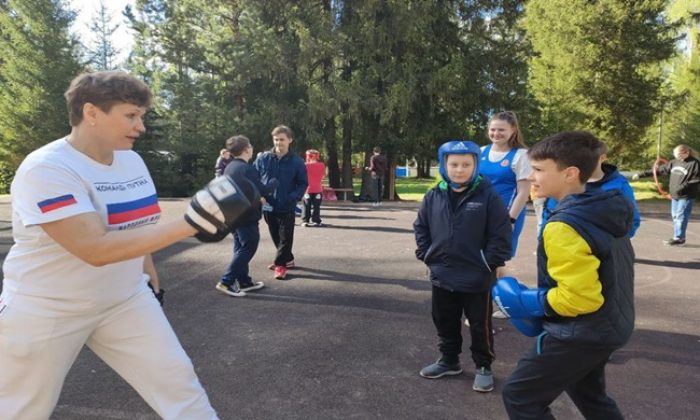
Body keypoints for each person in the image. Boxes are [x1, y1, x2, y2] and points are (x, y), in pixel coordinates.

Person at [0, 70, 259, 419]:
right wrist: (191, 223)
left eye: (142, 116)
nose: (141, 127)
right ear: (91, 113)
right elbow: (95, 248)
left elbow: (137, 225)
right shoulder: (47, 168)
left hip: (124, 299)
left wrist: (147, 269)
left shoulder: (130, 160)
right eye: (131, 116)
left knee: (179, 384)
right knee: (21, 410)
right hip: (48, 308)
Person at [496, 131, 635, 419]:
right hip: (607, 325)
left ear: (570, 174)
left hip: (579, 332)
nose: (531, 177)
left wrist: (529, 302)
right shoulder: (603, 207)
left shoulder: (564, 225)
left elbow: (580, 298)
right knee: (590, 396)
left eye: (538, 170)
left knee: (521, 396)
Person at [414, 140, 512, 393]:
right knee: (444, 319)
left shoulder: (488, 196)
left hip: (476, 274)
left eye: (466, 164)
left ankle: (483, 366)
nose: (460, 170)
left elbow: (500, 232)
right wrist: (426, 254)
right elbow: (421, 226)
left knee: (480, 324)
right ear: (444, 164)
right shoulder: (434, 195)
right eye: (454, 164)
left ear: (476, 165)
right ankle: (449, 360)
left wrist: (490, 262)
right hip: (442, 271)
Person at [542, 141, 641, 238]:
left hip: (605, 249)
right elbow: (549, 215)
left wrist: (612, 242)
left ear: (602, 158)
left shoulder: (619, 185)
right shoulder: (565, 182)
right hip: (567, 246)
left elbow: (632, 219)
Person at [216, 135, 273, 297]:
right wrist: (275, 181)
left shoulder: (230, 166)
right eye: (250, 146)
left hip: (233, 214)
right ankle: (226, 281)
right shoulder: (247, 169)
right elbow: (263, 189)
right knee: (249, 247)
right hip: (246, 216)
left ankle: (244, 281)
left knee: (240, 247)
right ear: (247, 149)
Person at [253, 125, 308, 280]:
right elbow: (253, 177)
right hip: (268, 205)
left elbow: (303, 183)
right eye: (276, 140)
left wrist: (293, 196)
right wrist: (258, 194)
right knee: (275, 235)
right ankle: (287, 259)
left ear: (290, 140)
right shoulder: (263, 158)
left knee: (285, 237)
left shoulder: (296, 162)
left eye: (282, 140)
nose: (278, 143)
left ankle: (280, 265)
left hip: (287, 205)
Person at [479, 111, 532, 257]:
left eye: (501, 130)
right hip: (481, 214)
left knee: (496, 261)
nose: (496, 133)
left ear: (513, 129)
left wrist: (510, 220)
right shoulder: (481, 151)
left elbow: (523, 193)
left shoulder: (521, 155)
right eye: (493, 129)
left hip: (505, 216)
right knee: (477, 259)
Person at [632, 144, 699, 246]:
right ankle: (678, 236)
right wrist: (641, 174)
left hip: (686, 195)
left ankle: (679, 238)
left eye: (679, 155)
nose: (677, 157)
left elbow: (695, 180)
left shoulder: (695, 164)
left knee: (681, 216)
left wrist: (681, 188)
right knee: (675, 215)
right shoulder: (674, 162)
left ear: (686, 153)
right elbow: (658, 170)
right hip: (674, 195)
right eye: (675, 155)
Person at [301, 149, 326, 227]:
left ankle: (305, 221)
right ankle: (316, 220)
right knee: (316, 206)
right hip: (318, 188)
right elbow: (323, 176)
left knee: (306, 205)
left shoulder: (304, 165)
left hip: (307, 189)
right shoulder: (322, 165)